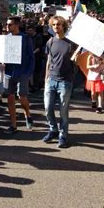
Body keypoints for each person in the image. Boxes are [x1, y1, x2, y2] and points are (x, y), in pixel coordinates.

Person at [43, 16, 77, 148]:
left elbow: (76, 62)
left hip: (65, 82)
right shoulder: (50, 42)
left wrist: (77, 58)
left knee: (63, 111)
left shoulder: (70, 43)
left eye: (58, 25)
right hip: (51, 79)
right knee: (47, 108)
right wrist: (46, 78)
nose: (56, 27)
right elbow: (49, 61)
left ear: (64, 26)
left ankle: (63, 135)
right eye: (54, 25)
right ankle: (53, 130)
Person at [2, 16, 35, 134]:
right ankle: (13, 125)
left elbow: (31, 57)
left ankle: (27, 113)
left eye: (10, 24)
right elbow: (2, 55)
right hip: (9, 73)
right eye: (7, 24)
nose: (7, 26)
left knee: (22, 97)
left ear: (17, 25)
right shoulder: (5, 38)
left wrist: (28, 72)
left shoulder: (26, 38)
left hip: (22, 72)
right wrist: (0, 62)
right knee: (10, 98)